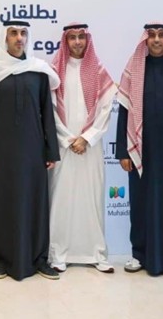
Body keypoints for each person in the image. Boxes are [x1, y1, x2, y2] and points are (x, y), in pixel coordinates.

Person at [0, 20, 61, 281]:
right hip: (1, 149)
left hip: (33, 149)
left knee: (35, 202)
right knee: (2, 202)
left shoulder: (38, 70)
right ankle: (1, 259)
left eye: (23, 33)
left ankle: (39, 258)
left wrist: (51, 150)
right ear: (5, 37)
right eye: (13, 33)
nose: (19, 38)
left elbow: (47, 112)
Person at [116, 22, 163, 278]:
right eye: (152, 35)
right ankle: (140, 254)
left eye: (161, 35)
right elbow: (124, 111)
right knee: (141, 202)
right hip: (142, 149)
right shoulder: (135, 70)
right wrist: (123, 151)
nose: (157, 40)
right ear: (145, 40)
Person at [48, 23, 117, 273]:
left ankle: (96, 253)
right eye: (72, 38)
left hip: (91, 148)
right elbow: (50, 110)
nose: (77, 42)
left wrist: (87, 138)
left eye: (81, 37)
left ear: (87, 40)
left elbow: (105, 110)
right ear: (65, 41)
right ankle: (59, 254)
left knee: (92, 199)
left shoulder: (98, 71)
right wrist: (68, 139)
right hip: (64, 147)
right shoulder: (54, 72)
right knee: (62, 200)